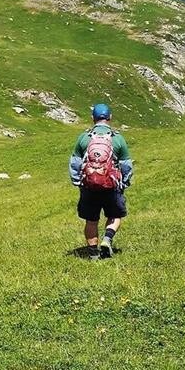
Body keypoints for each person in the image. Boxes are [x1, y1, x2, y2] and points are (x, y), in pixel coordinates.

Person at [69, 103, 134, 259]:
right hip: (111, 186)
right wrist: (124, 182)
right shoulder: (117, 138)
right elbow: (126, 165)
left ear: (93, 118)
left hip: (89, 186)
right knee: (115, 216)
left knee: (91, 220)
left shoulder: (84, 137)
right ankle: (107, 239)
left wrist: (78, 181)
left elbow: (75, 162)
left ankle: (92, 254)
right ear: (110, 117)